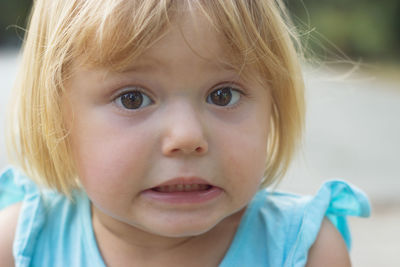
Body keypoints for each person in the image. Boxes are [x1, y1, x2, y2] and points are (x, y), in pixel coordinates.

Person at [0, 0, 370, 266]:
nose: (187, 136)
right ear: (57, 118)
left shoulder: (305, 251)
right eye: (132, 99)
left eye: (223, 95)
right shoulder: (21, 246)